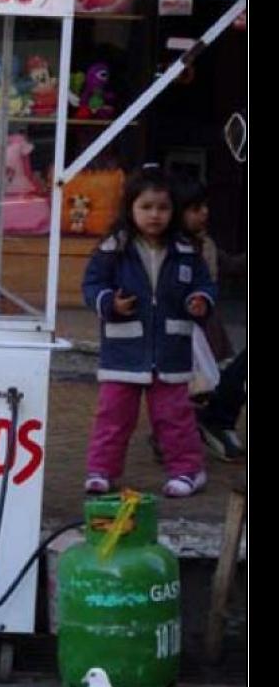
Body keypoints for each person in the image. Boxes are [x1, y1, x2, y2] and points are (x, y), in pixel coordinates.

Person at [82, 166, 217, 498]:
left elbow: (204, 285)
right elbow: (92, 285)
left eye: (163, 208)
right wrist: (108, 302)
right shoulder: (114, 248)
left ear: (174, 211)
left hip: (170, 350)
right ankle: (102, 471)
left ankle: (188, 471)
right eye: (146, 207)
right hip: (123, 350)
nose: (155, 215)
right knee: (113, 416)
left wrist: (201, 300)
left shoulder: (187, 250)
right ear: (130, 207)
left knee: (174, 418)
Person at [174, 175, 246, 460]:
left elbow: (226, 264)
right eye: (196, 208)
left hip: (209, 328)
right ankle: (173, 437)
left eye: (204, 207)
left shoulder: (205, 243)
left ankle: (208, 424)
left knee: (209, 383)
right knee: (181, 388)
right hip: (187, 330)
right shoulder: (175, 248)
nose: (204, 213)